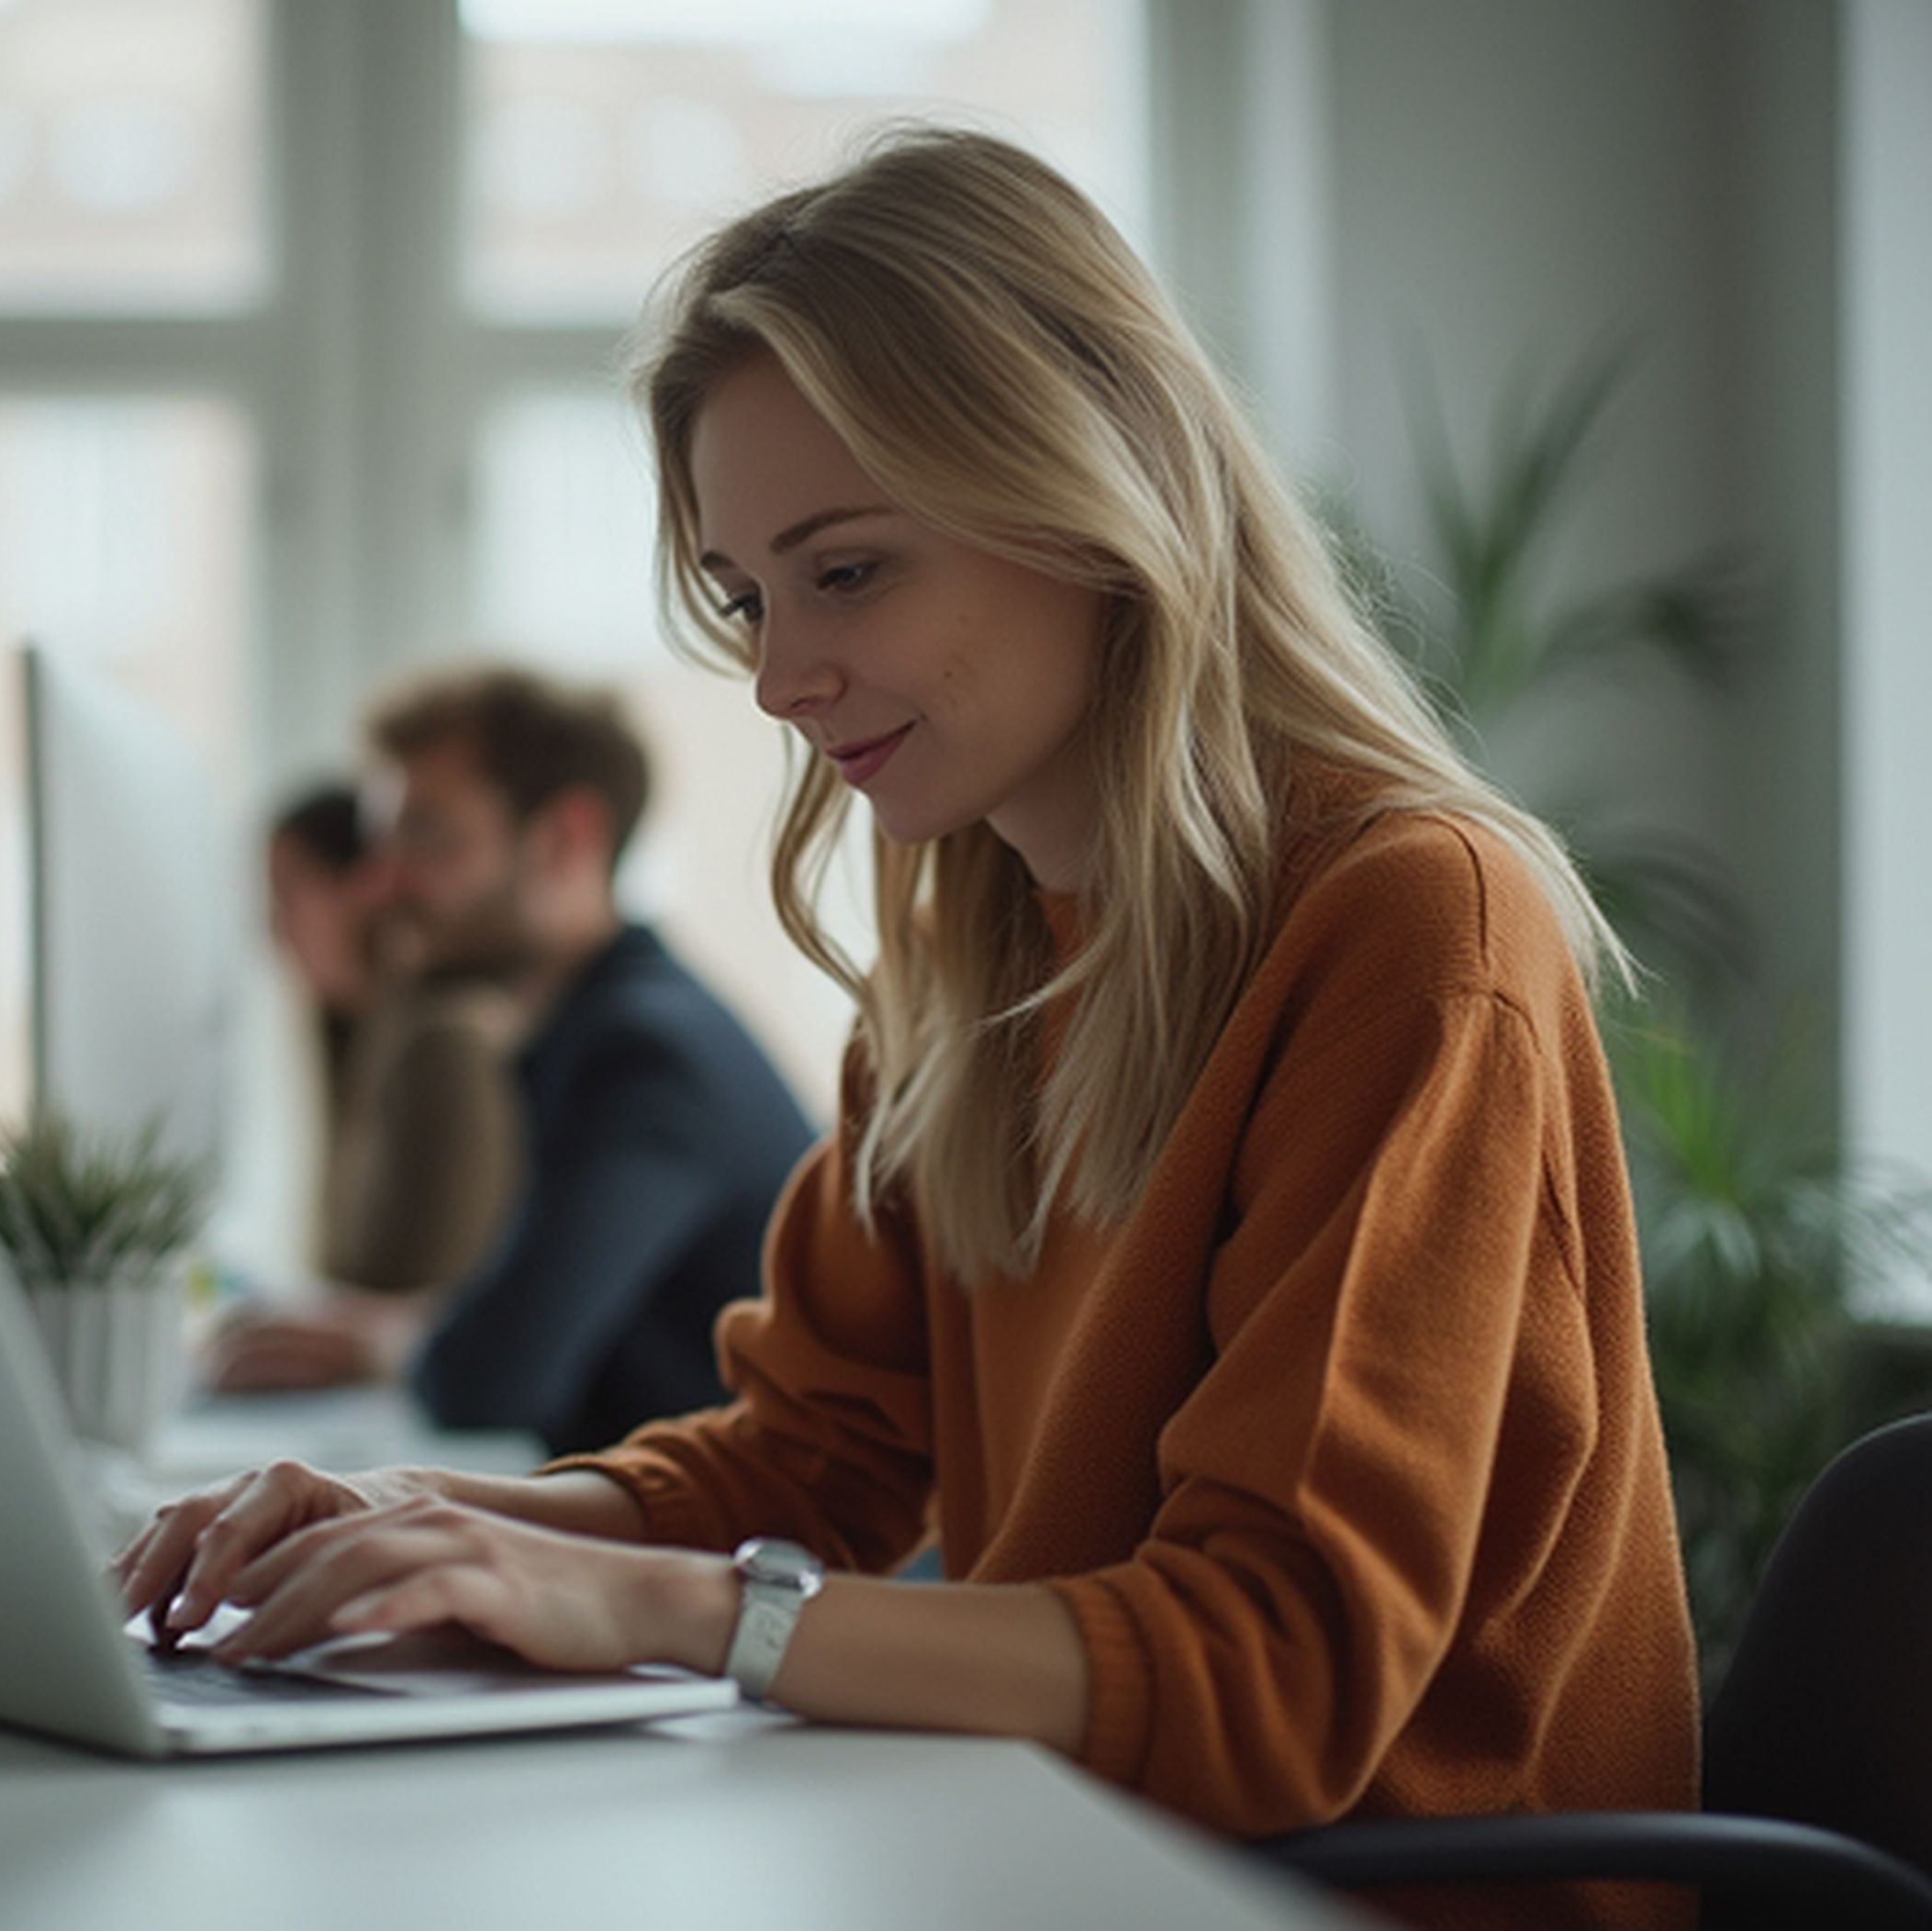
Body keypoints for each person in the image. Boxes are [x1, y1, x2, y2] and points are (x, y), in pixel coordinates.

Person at [121, 128, 1698, 1928]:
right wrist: (401, 1515)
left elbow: (1280, 1671)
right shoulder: (973, 964)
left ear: (1087, 491)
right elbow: (805, 1460)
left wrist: (675, 1609)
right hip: (1074, 1854)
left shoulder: (1410, 924)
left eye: (846, 571)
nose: (781, 677)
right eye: (744, 596)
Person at [209, 670, 817, 1456]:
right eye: (381, 843)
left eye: (426, 837)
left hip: (776, 1560)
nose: (378, 885)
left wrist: (386, 1342)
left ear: (565, 839)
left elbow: (493, 1378)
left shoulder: (645, 1054)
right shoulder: (596, 1030)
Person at [265, 782, 522, 1296]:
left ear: (364, 885)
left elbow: (433, 1288)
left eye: (289, 894)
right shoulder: (354, 1034)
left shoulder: (445, 1042)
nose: (274, 929)